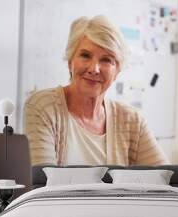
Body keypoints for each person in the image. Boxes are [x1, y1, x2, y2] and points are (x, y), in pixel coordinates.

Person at [24, 15, 168, 166]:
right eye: (85, 55)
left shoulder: (131, 120)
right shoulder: (43, 107)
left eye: (106, 60)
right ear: (70, 62)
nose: (94, 69)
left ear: (117, 70)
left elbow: (167, 179)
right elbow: (43, 182)